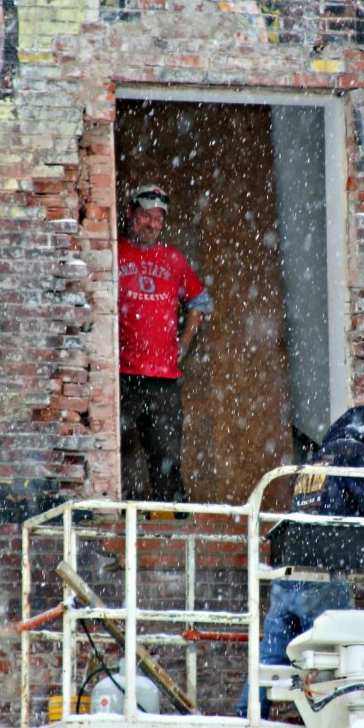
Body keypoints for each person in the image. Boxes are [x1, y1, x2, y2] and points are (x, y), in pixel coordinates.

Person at [237, 404, 364, 719]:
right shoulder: (352, 452)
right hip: (322, 576)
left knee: (271, 660)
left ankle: (248, 718)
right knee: (334, 656)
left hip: (289, 575)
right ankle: (332, 727)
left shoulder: (316, 460)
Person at [118, 185, 211, 502]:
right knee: (108, 451)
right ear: (130, 213)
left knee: (166, 460)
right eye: (146, 215)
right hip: (119, 377)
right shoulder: (112, 254)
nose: (152, 224)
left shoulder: (173, 260)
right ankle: (109, 527)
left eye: (158, 219)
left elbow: (199, 300)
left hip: (163, 381)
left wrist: (183, 344)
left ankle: (170, 530)